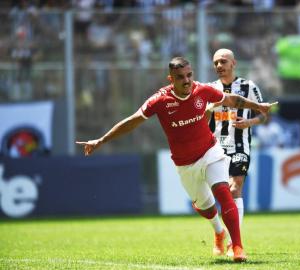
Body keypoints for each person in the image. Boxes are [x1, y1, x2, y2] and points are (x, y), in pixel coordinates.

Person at [76, 57, 276, 262]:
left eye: (189, 75)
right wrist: (101, 140)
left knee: (224, 192)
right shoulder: (159, 100)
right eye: (180, 77)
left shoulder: (201, 90)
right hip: (185, 164)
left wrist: (257, 105)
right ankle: (219, 232)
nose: (187, 81)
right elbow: (132, 121)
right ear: (170, 78)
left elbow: (231, 99)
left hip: (210, 151)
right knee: (207, 209)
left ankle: (237, 247)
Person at [206, 48, 268, 257]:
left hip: (240, 146)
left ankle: (235, 242)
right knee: (215, 195)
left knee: (235, 188)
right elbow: (202, 117)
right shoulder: (209, 89)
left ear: (234, 63)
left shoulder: (248, 86)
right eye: (215, 63)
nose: (219, 66)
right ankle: (219, 233)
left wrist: (248, 122)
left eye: (223, 61)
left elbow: (263, 114)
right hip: (214, 149)